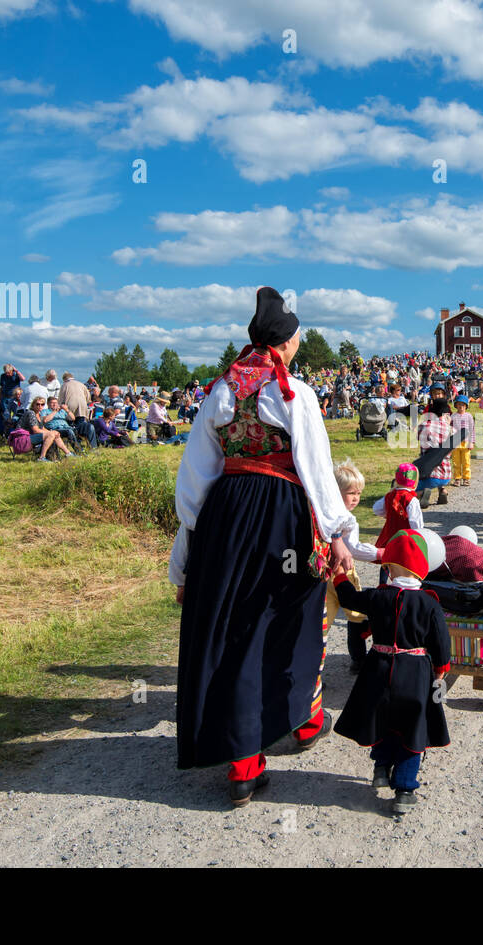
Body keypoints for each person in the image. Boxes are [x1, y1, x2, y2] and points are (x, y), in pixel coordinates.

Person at [170, 287, 355, 806]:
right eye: (297, 336)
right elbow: (318, 472)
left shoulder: (218, 393)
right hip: (282, 518)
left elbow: (194, 483)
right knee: (290, 618)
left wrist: (185, 560)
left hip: (225, 517)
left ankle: (243, 765)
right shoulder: (294, 393)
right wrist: (337, 533)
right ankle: (302, 720)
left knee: (234, 628)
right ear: (289, 342)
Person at [332, 529, 450, 814]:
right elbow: (441, 641)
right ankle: (405, 788)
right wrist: (441, 667)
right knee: (412, 727)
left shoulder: (377, 597)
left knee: (382, 718)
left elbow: (349, 598)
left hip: (379, 668)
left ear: (389, 568)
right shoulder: (430, 603)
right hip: (416, 673)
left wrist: (338, 576)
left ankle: (382, 768)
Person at [329, 460, 378, 673]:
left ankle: (357, 659)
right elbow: (354, 549)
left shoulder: (328, 515)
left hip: (328, 573)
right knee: (356, 613)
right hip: (342, 573)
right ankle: (358, 659)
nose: (356, 498)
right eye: (351, 493)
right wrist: (379, 553)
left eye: (358, 493)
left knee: (332, 617)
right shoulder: (347, 520)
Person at [416, 397, 453, 508]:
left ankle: (421, 493)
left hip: (429, 474)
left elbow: (418, 437)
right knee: (440, 456)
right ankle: (443, 491)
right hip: (446, 474)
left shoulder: (424, 425)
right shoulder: (450, 429)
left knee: (409, 487)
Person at [20, 396, 74, 460]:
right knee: (51, 434)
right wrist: (51, 433)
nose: (40, 406)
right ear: (33, 405)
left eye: (42, 404)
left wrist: (54, 433)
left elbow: (42, 428)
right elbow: (36, 430)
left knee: (54, 434)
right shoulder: (31, 413)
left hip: (30, 437)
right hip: (22, 439)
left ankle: (68, 453)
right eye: (37, 404)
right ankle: (42, 457)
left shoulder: (38, 415)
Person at [450, 395, 474, 486]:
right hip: (456, 442)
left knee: (466, 461)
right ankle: (457, 478)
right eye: (459, 404)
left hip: (466, 442)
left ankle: (466, 478)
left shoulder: (469, 416)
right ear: (456, 405)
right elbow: (450, 428)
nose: (461, 406)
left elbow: (472, 430)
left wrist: (471, 442)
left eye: (463, 405)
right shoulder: (453, 416)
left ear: (466, 406)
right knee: (456, 461)